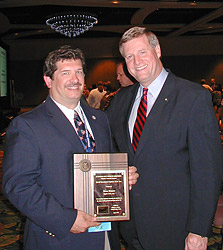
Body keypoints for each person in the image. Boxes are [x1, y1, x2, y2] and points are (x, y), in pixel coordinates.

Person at [2, 45, 138, 250]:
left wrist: (121, 176)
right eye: (65, 73)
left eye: (79, 72)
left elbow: (103, 169)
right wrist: (66, 220)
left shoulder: (100, 119)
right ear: (48, 80)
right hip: (59, 239)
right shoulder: (27, 125)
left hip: (104, 236)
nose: (75, 79)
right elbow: (18, 186)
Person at [106, 27, 223, 250]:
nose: (136, 61)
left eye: (142, 52)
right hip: (131, 228)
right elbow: (111, 149)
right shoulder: (121, 100)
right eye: (129, 57)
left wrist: (198, 229)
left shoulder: (193, 97)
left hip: (176, 228)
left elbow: (207, 170)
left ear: (157, 50)